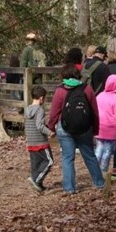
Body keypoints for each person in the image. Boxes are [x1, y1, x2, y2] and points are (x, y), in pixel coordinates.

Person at [47, 64, 104, 194]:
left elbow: (54, 112)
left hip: (65, 128)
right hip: (85, 128)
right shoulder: (87, 89)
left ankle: (69, 188)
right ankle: (99, 183)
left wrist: (51, 127)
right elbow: (94, 111)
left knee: (68, 158)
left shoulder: (60, 90)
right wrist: (95, 129)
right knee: (89, 155)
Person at [95, 75, 116, 174]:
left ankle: (95, 171)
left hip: (99, 128)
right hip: (110, 130)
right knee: (107, 152)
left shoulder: (99, 96)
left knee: (98, 149)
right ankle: (103, 172)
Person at [24, 86, 55, 193]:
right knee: (49, 161)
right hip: (40, 141)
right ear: (41, 98)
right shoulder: (40, 110)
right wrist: (50, 132)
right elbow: (39, 126)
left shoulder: (27, 109)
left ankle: (38, 184)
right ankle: (35, 179)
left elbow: (29, 125)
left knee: (36, 164)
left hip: (31, 141)